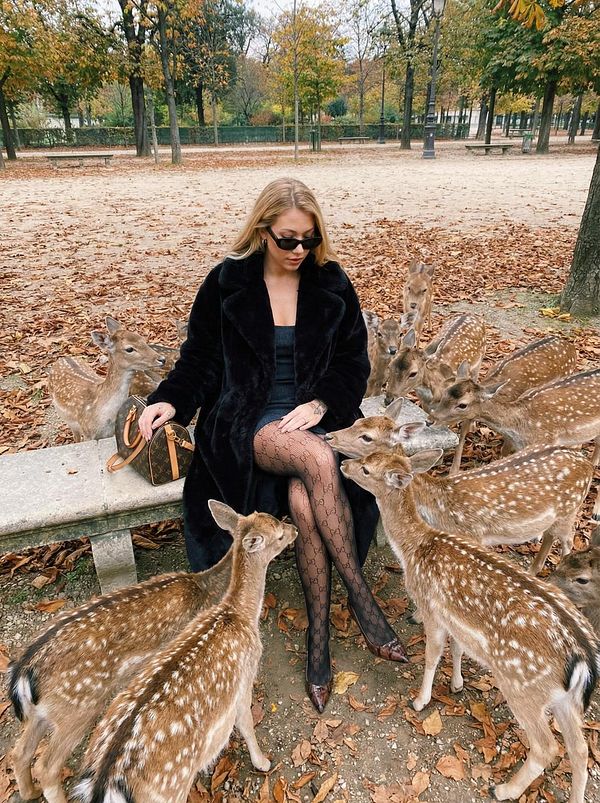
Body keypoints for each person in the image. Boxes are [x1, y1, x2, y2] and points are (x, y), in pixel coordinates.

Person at [139, 177, 407, 713]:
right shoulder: (226, 283)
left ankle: (319, 644)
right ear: (263, 232)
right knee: (316, 456)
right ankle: (361, 596)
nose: (299, 251)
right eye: (288, 240)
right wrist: (170, 398)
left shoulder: (331, 283)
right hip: (250, 419)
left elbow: (355, 362)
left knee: (307, 503)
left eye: (309, 239)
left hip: (315, 415)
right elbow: (199, 358)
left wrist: (323, 404)